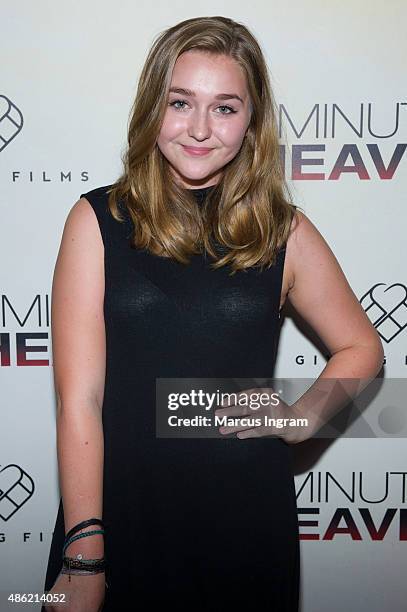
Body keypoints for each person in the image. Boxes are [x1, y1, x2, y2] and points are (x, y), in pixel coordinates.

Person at [42, 15, 384, 612]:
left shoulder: (284, 231)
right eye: (181, 102)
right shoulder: (97, 220)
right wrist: (85, 551)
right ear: (154, 106)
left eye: (225, 108)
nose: (200, 129)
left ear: (252, 121)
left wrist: (303, 419)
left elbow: (363, 347)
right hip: (123, 514)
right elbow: (80, 401)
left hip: (245, 522)